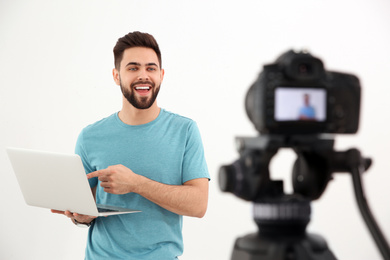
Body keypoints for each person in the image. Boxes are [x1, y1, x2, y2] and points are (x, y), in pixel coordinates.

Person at [52, 31, 210, 259]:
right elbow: (84, 205)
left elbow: (198, 205)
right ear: (117, 76)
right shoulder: (89, 137)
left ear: (162, 75)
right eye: (133, 68)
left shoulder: (184, 131)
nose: (143, 75)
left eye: (151, 68)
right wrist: (80, 217)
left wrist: (135, 183)